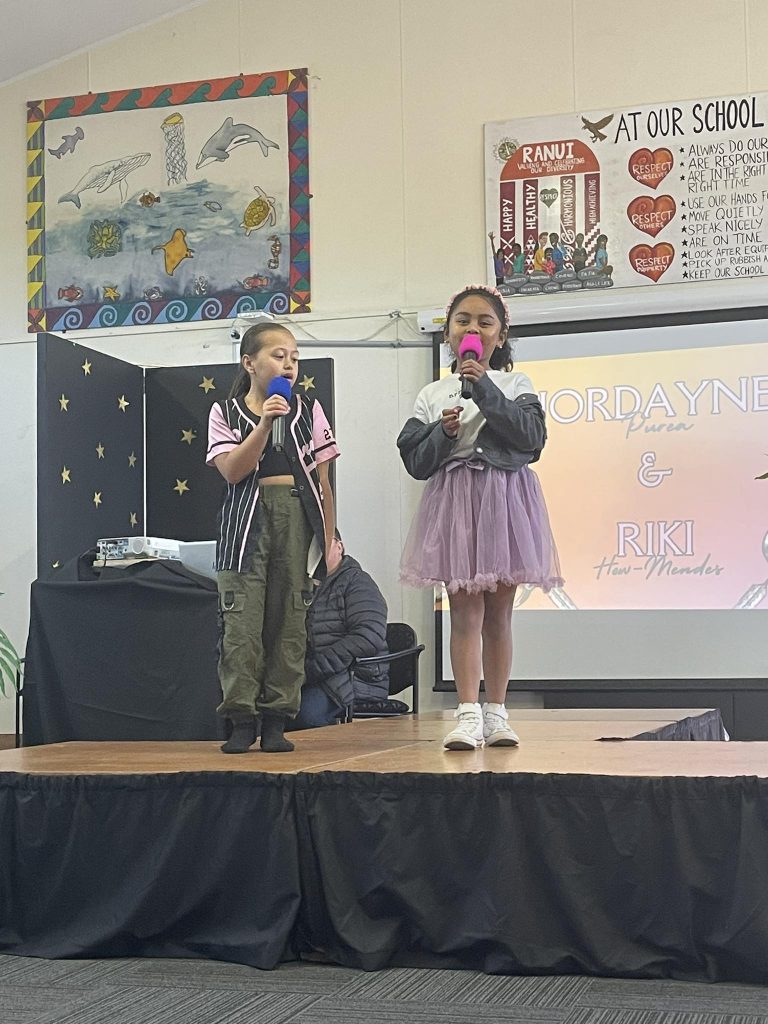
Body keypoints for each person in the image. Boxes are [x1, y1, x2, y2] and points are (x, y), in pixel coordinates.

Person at [397, 284, 563, 750]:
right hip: (456, 503)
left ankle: (497, 714)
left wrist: (484, 386)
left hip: (503, 500)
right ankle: (467, 713)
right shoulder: (431, 394)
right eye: (463, 320)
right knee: (464, 612)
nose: (473, 328)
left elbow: (531, 438)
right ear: (449, 333)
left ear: (501, 335)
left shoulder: (516, 383)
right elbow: (415, 461)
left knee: (499, 614)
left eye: (485, 322)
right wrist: (443, 433)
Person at [206, 322, 340, 754]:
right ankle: (242, 720)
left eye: (295, 358)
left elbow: (323, 483)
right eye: (279, 355)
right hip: (245, 526)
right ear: (249, 363)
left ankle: (278, 719)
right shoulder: (224, 412)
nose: (289, 365)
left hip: (296, 520)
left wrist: (330, 539)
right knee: (241, 626)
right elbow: (232, 471)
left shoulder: (310, 410)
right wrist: (264, 424)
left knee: (290, 622)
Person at [291, 531, 390, 729]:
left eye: (322, 546)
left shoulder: (358, 582)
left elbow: (367, 637)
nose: (316, 554)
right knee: (269, 710)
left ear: (340, 546)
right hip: (314, 676)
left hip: (355, 676)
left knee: (301, 715)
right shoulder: (301, 587)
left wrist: (312, 669)